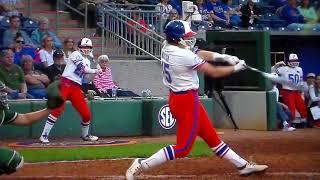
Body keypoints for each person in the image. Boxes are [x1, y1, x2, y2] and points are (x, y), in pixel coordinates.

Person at [126, 20, 268, 179]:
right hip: (186, 102)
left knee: (211, 137)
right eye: (186, 36)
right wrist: (235, 68)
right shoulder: (183, 55)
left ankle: (243, 166)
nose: (189, 38)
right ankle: (141, 163)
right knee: (183, 148)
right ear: (177, 38)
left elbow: (198, 52)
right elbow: (213, 72)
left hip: (179, 98)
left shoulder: (167, 46)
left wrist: (224, 57)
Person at [39, 37, 101, 143]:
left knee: (86, 113)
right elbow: (82, 69)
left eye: (88, 47)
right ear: (79, 47)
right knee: (58, 108)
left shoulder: (87, 60)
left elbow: (85, 77)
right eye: (83, 47)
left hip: (76, 86)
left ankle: (85, 135)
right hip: (66, 83)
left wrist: (96, 74)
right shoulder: (75, 54)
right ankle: (44, 135)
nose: (86, 49)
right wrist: (95, 70)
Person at [0, 80, 64, 176]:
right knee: (11, 160)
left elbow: (26, 119)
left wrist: (50, 109)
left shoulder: (2, 112)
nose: (2, 96)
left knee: (16, 161)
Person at [271, 53, 308, 127]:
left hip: (296, 91)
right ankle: (290, 124)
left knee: (302, 108)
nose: (294, 62)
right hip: (287, 91)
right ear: (288, 61)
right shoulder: (283, 69)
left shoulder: (300, 69)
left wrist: (302, 92)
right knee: (292, 109)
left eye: (296, 60)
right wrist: (276, 65)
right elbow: (272, 71)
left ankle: (304, 123)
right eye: (292, 60)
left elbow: (300, 81)